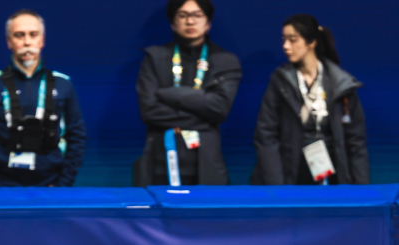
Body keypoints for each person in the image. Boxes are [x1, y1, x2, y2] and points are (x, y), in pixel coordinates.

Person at [0, 9, 86, 188]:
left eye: (33, 35)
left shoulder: (63, 84)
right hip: (3, 186)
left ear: (42, 40)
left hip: (52, 185)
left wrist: (62, 184)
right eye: (19, 35)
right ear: (9, 41)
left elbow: (77, 137)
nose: (27, 42)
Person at [251, 14, 369, 186]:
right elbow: (265, 135)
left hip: (332, 175)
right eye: (284, 40)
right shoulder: (280, 81)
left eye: (293, 40)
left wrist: (362, 190)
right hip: (290, 174)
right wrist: (277, 187)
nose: (286, 46)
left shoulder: (341, 84)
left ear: (312, 42)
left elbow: (356, 142)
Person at [133, 0, 240, 187]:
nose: (190, 21)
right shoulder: (154, 58)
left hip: (206, 166)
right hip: (159, 163)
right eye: (182, 15)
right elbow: (149, 111)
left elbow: (219, 109)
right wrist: (204, 120)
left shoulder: (226, 61)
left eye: (197, 15)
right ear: (172, 23)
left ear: (208, 22)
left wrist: (169, 94)